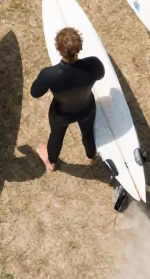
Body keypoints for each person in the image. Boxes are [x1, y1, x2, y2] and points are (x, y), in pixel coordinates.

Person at [29, 26, 104, 172]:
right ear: (80, 47)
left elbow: (35, 93)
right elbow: (100, 75)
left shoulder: (49, 74)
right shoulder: (93, 64)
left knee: (56, 136)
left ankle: (52, 163)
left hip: (61, 113)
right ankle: (92, 155)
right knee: (88, 133)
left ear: (58, 48)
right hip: (86, 108)